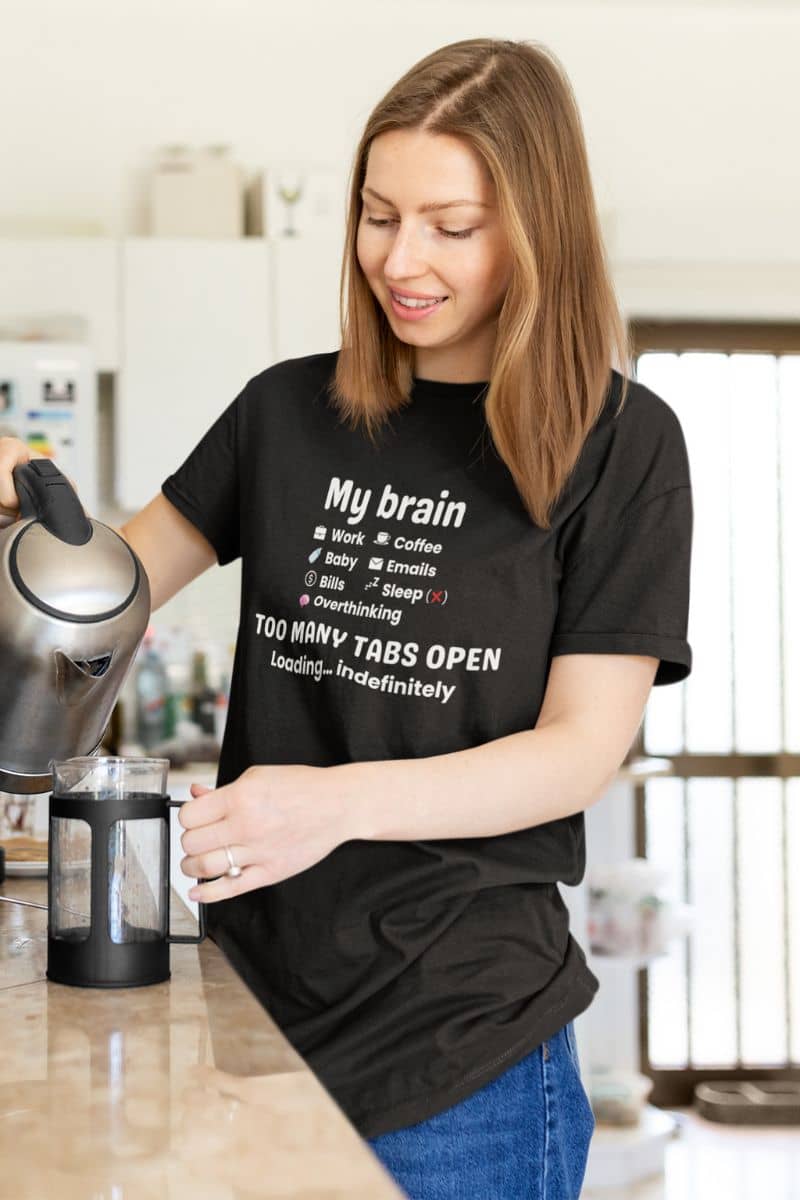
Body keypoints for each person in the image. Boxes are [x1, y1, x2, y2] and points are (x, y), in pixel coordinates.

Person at [0, 36, 693, 1200]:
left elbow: (580, 750)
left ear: (538, 228)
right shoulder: (283, 413)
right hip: (254, 1017)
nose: (399, 258)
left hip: (466, 1052)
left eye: (449, 226)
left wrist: (331, 804)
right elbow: (108, 594)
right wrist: (27, 503)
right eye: (376, 216)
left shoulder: (619, 446)